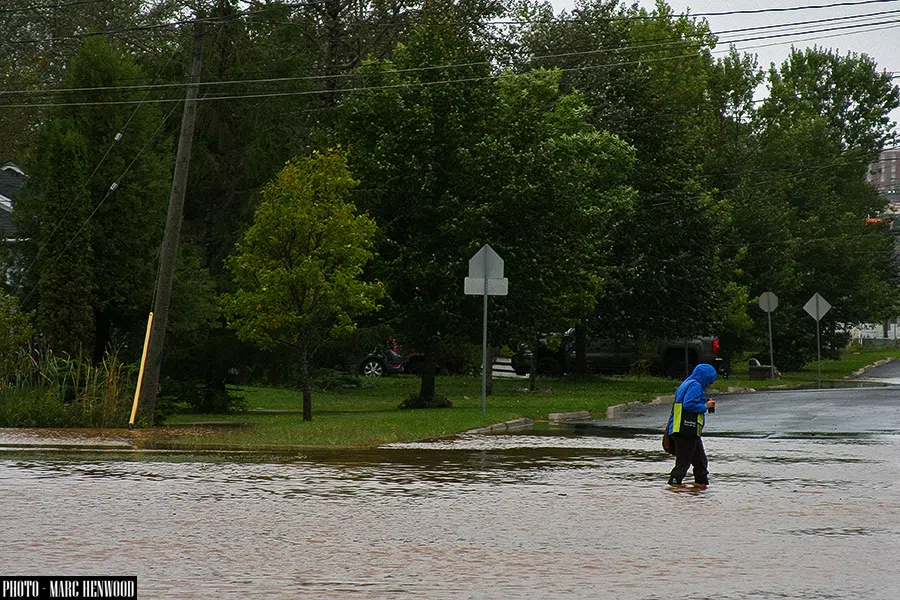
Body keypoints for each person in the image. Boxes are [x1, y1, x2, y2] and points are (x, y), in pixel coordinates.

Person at [666, 363, 717, 486]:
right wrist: (705, 406)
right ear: (705, 377)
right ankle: (673, 488)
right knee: (683, 464)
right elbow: (688, 404)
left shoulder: (687, 383)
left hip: (687, 431)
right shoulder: (696, 385)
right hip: (685, 430)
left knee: (700, 463)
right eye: (710, 380)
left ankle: (700, 491)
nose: (710, 384)